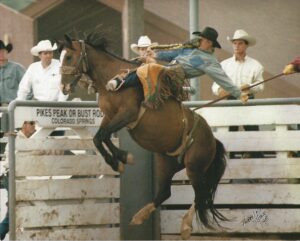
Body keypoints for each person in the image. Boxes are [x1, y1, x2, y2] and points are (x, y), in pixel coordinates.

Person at [106, 27, 248, 104]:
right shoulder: (192, 48)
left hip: (175, 75)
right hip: (170, 70)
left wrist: (238, 93)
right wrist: (155, 55)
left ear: (209, 43)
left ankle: (119, 82)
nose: (199, 40)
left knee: (150, 69)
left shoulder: (209, 61)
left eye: (202, 39)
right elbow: (174, 54)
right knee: (146, 66)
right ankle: (120, 82)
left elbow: (221, 78)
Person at [211, 29, 264, 158]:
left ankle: (256, 166)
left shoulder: (255, 65)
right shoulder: (225, 64)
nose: (236, 46)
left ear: (246, 45)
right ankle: (229, 166)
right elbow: (215, 85)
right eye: (234, 43)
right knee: (229, 133)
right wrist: (219, 91)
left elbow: (260, 85)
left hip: (248, 100)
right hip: (230, 101)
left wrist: (249, 87)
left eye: (240, 43)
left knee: (253, 133)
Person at [0, 121, 36, 240]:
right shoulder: (18, 140)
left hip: (15, 178)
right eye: (31, 123)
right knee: (14, 212)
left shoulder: (21, 139)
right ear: (24, 125)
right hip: (13, 178)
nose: (34, 126)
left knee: (15, 210)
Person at [0, 39, 25, 105]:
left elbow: (27, 87)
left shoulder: (17, 68)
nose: (1, 54)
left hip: (14, 106)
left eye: (3, 51)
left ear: (7, 52)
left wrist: (21, 103)